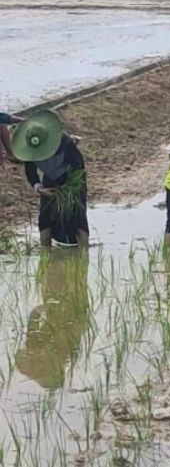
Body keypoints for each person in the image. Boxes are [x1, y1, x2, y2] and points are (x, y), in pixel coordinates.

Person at [10, 111, 89, 247]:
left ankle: (84, 253)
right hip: (49, 182)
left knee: (78, 217)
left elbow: (79, 167)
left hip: (72, 181)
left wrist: (68, 188)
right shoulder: (30, 150)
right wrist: (39, 189)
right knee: (45, 219)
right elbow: (31, 173)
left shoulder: (65, 143)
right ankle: (45, 254)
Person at [16, 249, 91, 389]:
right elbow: (34, 322)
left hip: (69, 313)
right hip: (67, 312)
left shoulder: (62, 349)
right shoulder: (64, 350)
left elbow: (34, 323)